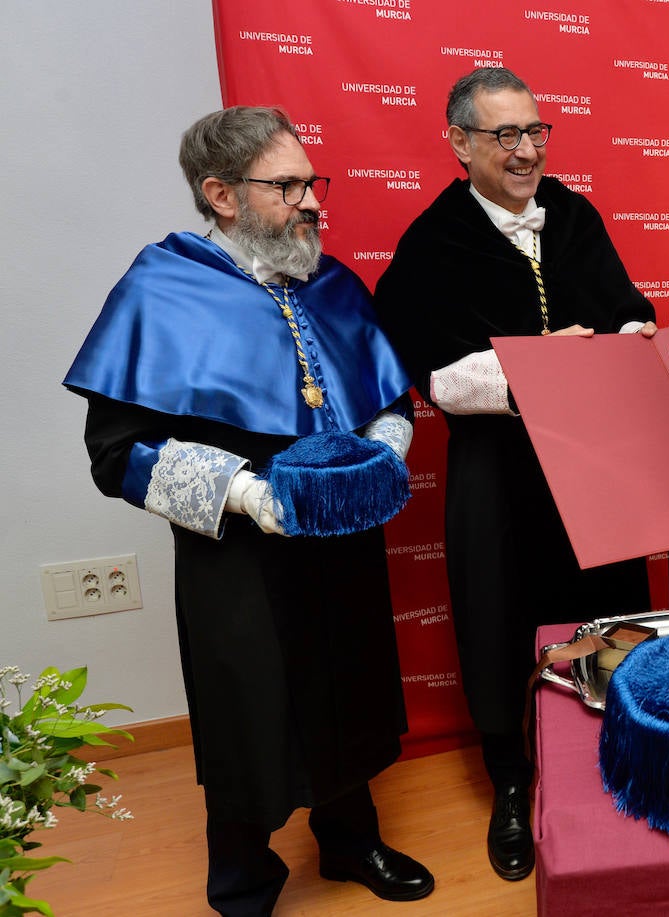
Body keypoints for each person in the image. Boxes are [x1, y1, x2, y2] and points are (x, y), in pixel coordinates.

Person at [63, 107, 434, 915]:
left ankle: (349, 838)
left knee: (350, 684)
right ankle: (242, 877)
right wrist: (248, 494)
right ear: (221, 194)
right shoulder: (160, 289)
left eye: (311, 182)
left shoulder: (330, 282)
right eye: (288, 185)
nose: (311, 201)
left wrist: (386, 447)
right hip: (237, 550)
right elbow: (117, 450)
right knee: (247, 709)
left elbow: (386, 394)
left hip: (339, 535)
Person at [373, 67, 655, 881]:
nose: (528, 150)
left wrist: (632, 333)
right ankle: (512, 780)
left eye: (537, 131)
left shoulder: (574, 214)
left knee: (611, 613)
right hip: (498, 475)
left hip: (598, 467)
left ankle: (616, 759)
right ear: (459, 143)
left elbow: (626, 306)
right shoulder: (434, 241)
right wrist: (542, 369)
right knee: (501, 625)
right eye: (506, 135)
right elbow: (436, 380)